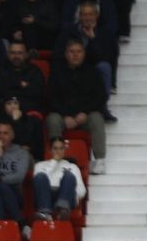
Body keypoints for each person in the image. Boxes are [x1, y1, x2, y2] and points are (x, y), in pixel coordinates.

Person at [46, 39, 108, 174]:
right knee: (52, 119)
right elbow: (51, 97)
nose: (75, 55)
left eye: (79, 51)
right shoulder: (57, 73)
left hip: (85, 116)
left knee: (97, 118)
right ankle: (56, 159)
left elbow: (100, 97)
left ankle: (99, 161)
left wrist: (85, 112)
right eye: (72, 51)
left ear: (84, 53)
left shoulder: (92, 72)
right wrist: (65, 115)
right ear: (66, 54)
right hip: (63, 116)